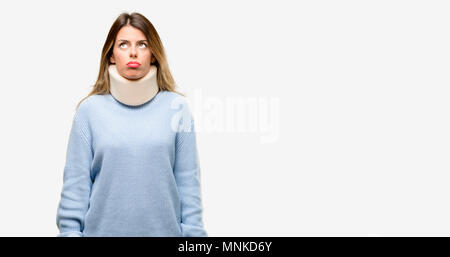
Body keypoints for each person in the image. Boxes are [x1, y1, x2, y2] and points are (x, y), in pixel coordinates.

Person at [55, 12, 207, 237]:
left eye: (142, 45)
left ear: (153, 55)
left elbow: (188, 188)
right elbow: (75, 190)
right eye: (123, 44)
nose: (133, 52)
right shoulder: (89, 111)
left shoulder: (177, 108)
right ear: (112, 55)